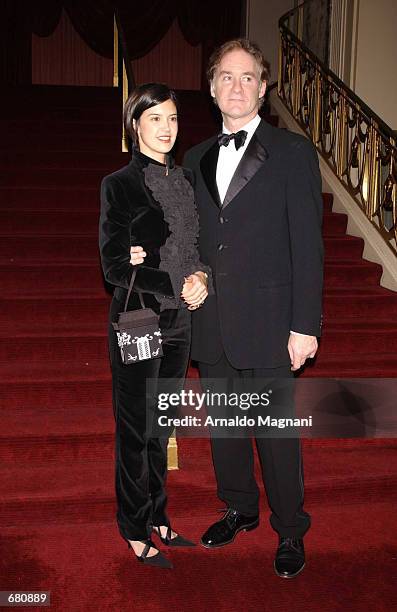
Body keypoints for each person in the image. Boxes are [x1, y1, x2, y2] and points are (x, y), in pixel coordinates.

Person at [130, 39, 323, 578]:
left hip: (270, 322)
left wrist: (304, 325)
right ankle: (240, 507)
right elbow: (187, 239)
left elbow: (307, 244)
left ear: (263, 88)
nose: (236, 87)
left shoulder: (292, 151)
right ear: (212, 88)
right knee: (227, 431)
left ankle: (290, 529)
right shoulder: (192, 159)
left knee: (276, 436)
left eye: (248, 77)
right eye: (226, 77)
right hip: (211, 319)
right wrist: (143, 250)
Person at [99, 83, 210, 569]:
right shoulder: (118, 184)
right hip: (139, 314)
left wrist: (202, 277)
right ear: (135, 125)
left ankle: (160, 515)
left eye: (172, 118)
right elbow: (114, 268)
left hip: (180, 319)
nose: (166, 128)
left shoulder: (187, 180)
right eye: (154, 119)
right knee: (135, 425)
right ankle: (134, 526)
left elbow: (199, 251)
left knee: (163, 426)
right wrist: (171, 277)